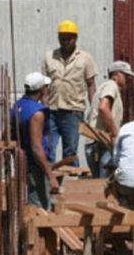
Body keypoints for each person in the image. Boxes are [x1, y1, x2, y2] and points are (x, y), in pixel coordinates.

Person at [41, 20, 98, 166]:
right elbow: (44, 86)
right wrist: (44, 106)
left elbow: (91, 85)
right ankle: (51, 184)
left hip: (73, 112)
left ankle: (71, 185)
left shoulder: (85, 58)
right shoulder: (49, 57)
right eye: (62, 37)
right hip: (52, 111)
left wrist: (94, 109)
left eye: (69, 38)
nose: (65, 41)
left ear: (75, 38)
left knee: (70, 151)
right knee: (48, 150)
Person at [10, 72, 60, 209]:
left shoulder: (17, 106)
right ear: (42, 89)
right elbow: (36, 148)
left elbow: (7, 134)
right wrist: (50, 175)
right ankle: (36, 231)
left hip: (22, 162)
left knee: (32, 203)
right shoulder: (37, 113)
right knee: (40, 208)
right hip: (35, 165)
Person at [85, 61, 134, 178]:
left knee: (99, 182)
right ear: (115, 76)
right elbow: (103, 108)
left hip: (95, 142)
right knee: (104, 184)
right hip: (102, 142)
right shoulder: (111, 85)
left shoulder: (105, 87)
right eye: (126, 76)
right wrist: (114, 133)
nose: (129, 80)